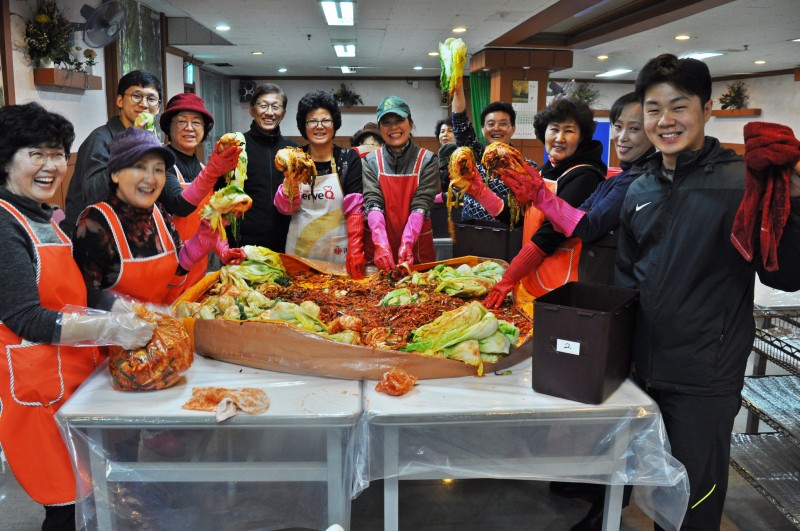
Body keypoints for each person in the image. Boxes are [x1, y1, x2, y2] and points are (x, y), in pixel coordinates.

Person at [616, 54, 800, 530]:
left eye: (679, 106)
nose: (665, 120)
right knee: (653, 491)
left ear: (707, 108)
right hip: (641, 369)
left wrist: (793, 200)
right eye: (653, 109)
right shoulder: (639, 188)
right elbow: (625, 279)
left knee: (695, 501)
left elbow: (785, 274)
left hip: (705, 373)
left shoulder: (741, 183)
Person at [0, 103, 154, 531]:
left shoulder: (46, 217)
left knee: (90, 502)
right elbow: (26, 318)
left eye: (57, 154)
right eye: (37, 154)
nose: (52, 166)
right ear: (5, 159)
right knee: (66, 509)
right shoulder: (4, 223)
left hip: (74, 382)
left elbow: (77, 293)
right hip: (38, 390)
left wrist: (118, 308)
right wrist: (112, 328)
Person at [71, 127, 244, 306]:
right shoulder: (93, 224)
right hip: (116, 331)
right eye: (139, 167)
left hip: (165, 325)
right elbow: (85, 299)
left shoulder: (159, 214)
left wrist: (201, 240)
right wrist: (128, 318)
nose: (150, 178)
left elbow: (177, 267)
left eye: (158, 169)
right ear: (115, 174)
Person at [501, 92, 655, 285]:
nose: (622, 137)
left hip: (568, 280)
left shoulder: (617, 179)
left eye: (634, 129)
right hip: (539, 275)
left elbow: (583, 227)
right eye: (618, 126)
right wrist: (479, 191)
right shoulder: (616, 178)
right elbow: (575, 218)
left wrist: (539, 195)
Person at [484, 97, 606, 309]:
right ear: (544, 132)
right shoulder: (544, 171)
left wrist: (509, 277)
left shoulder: (585, 175)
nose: (559, 138)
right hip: (532, 278)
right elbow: (515, 216)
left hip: (561, 286)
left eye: (569, 130)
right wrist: (478, 189)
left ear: (582, 137)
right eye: (554, 129)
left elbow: (549, 235)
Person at [274, 90, 365, 277]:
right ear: (304, 126)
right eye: (312, 121)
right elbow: (285, 209)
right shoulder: (294, 158)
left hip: (338, 250)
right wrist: (289, 184)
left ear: (334, 124)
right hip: (300, 251)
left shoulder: (348, 159)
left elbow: (355, 208)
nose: (319, 126)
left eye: (326, 120)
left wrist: (356, 249)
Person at [157, 93, 242, 287]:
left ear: (204, 130)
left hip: (198, 268)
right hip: (169, 269)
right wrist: (214, 171)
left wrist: (224, 250)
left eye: (196, 122)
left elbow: (211, 224)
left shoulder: (204, 169)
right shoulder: (160, 163)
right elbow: (180, 205)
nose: (189, 128)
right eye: (181, 121)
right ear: (169, 128)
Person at [62, 70, 162, 231]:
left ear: (158, 107)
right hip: (91, 237)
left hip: (130, 234)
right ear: (120, 101)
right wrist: (129, 146)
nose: (144, 104)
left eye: (151, 99)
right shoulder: (100, 139)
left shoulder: (153, 142)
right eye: (136, 96)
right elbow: (93, 194)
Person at [363, 95, 438, 270]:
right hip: (378, 251)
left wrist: (407, 242)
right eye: (386, 122)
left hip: (417, 249)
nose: (393, 127)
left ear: (410, 124)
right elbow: (373, 202)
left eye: (399, 120)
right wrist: (381, 244)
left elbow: (422, 203)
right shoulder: (370, 161)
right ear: (380, 129)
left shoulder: (427, 160)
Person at [449, 81, 536, 227]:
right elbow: (460, 123)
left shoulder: (527, 166)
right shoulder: (475, 155)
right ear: (483, 129)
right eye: (491, 124)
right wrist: (457, 83)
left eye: (503, 124)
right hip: (472, 230)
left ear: (513, 129)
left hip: (509, 234)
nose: (496, 128)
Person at [232, 83, 298, 251]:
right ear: (251, 109)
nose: (269, 112)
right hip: (242, 244)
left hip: (285, 241)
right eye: (263, 105)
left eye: (276, 107)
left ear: (283, 113)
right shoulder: (237, 146)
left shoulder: (292, 150)